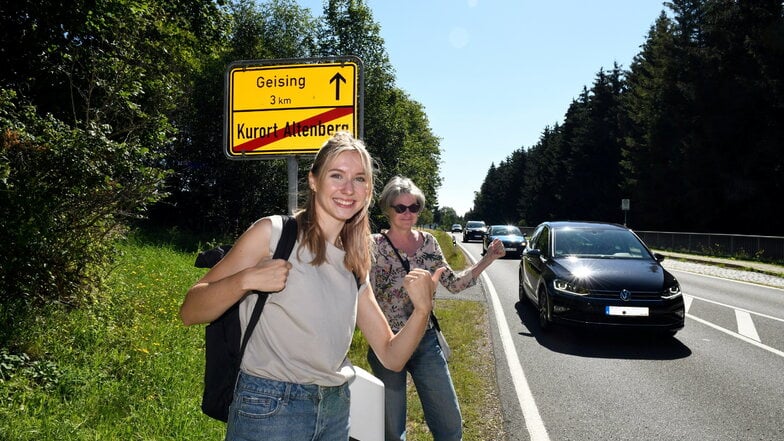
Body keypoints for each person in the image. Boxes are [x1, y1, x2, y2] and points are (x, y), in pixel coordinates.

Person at [179, 133, 445, 441]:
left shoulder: (356, 259)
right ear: (314, 181)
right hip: (270, 408)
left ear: (369, 190)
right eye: (337, 175)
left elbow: (391, 356)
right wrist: (246, 280)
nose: (348, 189)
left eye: (359, 179)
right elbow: (190, 310)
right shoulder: (274, 233)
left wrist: (422, 310)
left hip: (336, 408)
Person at [368, 176, 506, 441]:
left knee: (449, 422)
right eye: (401, 207)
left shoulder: (429, 243)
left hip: (425, 340)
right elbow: (364, 296)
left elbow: (453, 284)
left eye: (414, 207)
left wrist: (487, 259)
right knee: (390, 429)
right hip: (387, 341)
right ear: (387, 209)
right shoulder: (373, 245)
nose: (408, 213)